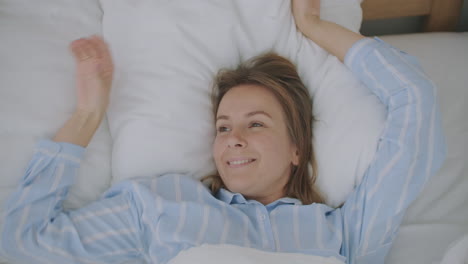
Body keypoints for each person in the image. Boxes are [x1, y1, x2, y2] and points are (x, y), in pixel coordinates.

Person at [0, 0, 446, 263]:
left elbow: (414, 101)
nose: (233, 138)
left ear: (297, 149)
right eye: (223, 126)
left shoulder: (346, 232)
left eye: (256, 124)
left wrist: (315, 27)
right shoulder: (159, 206)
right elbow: (23, 243)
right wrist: (87, 116)